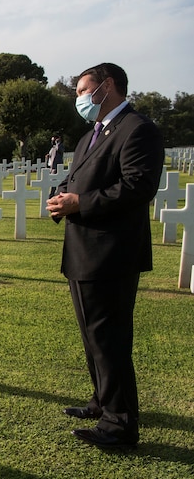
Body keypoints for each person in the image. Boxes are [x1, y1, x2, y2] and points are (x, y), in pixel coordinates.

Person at [46, 63, 164, 448]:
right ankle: (101, 400)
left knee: (110, 338)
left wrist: (80, 202)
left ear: (106, 86)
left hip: (112, 254)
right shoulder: (90, 135)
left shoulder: (137, 129)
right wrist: (61, 197)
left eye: (82, 90)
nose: (79, 98)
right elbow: (75, 177)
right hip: (83, 252)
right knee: (92, 336)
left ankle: (120, 424)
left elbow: (137, 186)